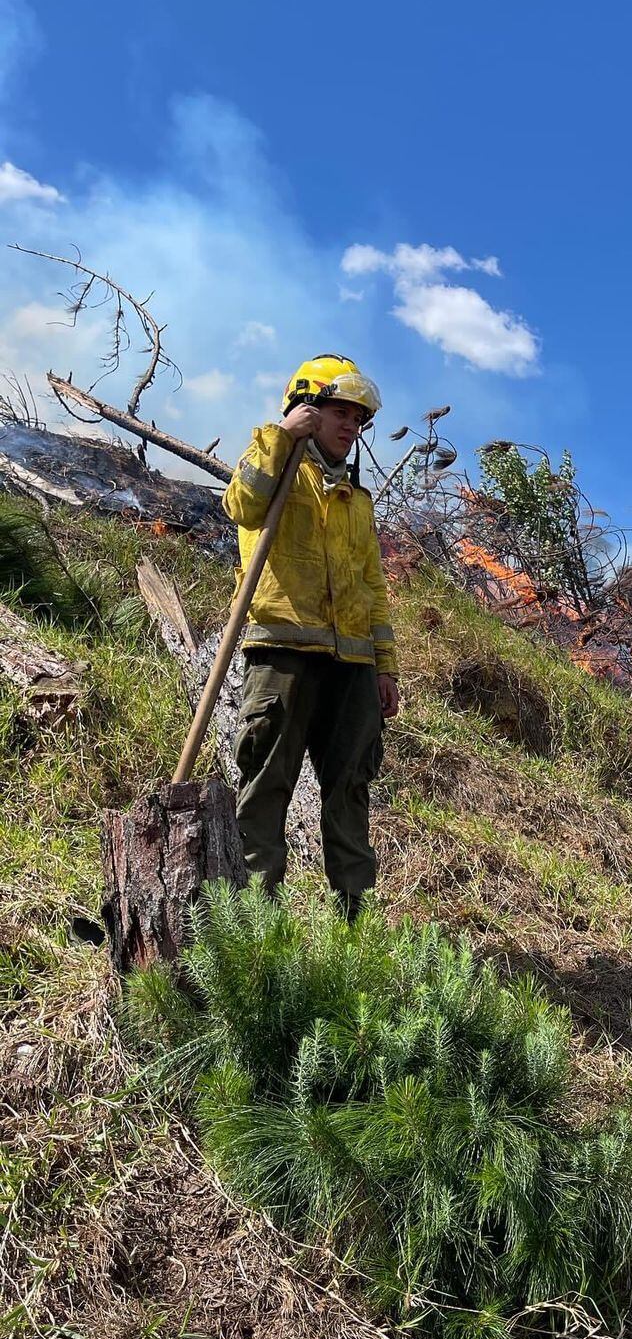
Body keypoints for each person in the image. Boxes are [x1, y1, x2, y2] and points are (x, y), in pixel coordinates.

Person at [223, 354, 399, 920]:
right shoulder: (275, 467)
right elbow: (241, 506)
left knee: (350, 787)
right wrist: (280, 437)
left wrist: (385, 664)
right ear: (307, 408)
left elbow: (372, 585)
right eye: (340, 412)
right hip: (283, 652)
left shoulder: (357, 499)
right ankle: (257, 925)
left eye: (358, 417)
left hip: (353, 662)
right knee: (266, 781)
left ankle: (352, 920)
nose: (351, 425)